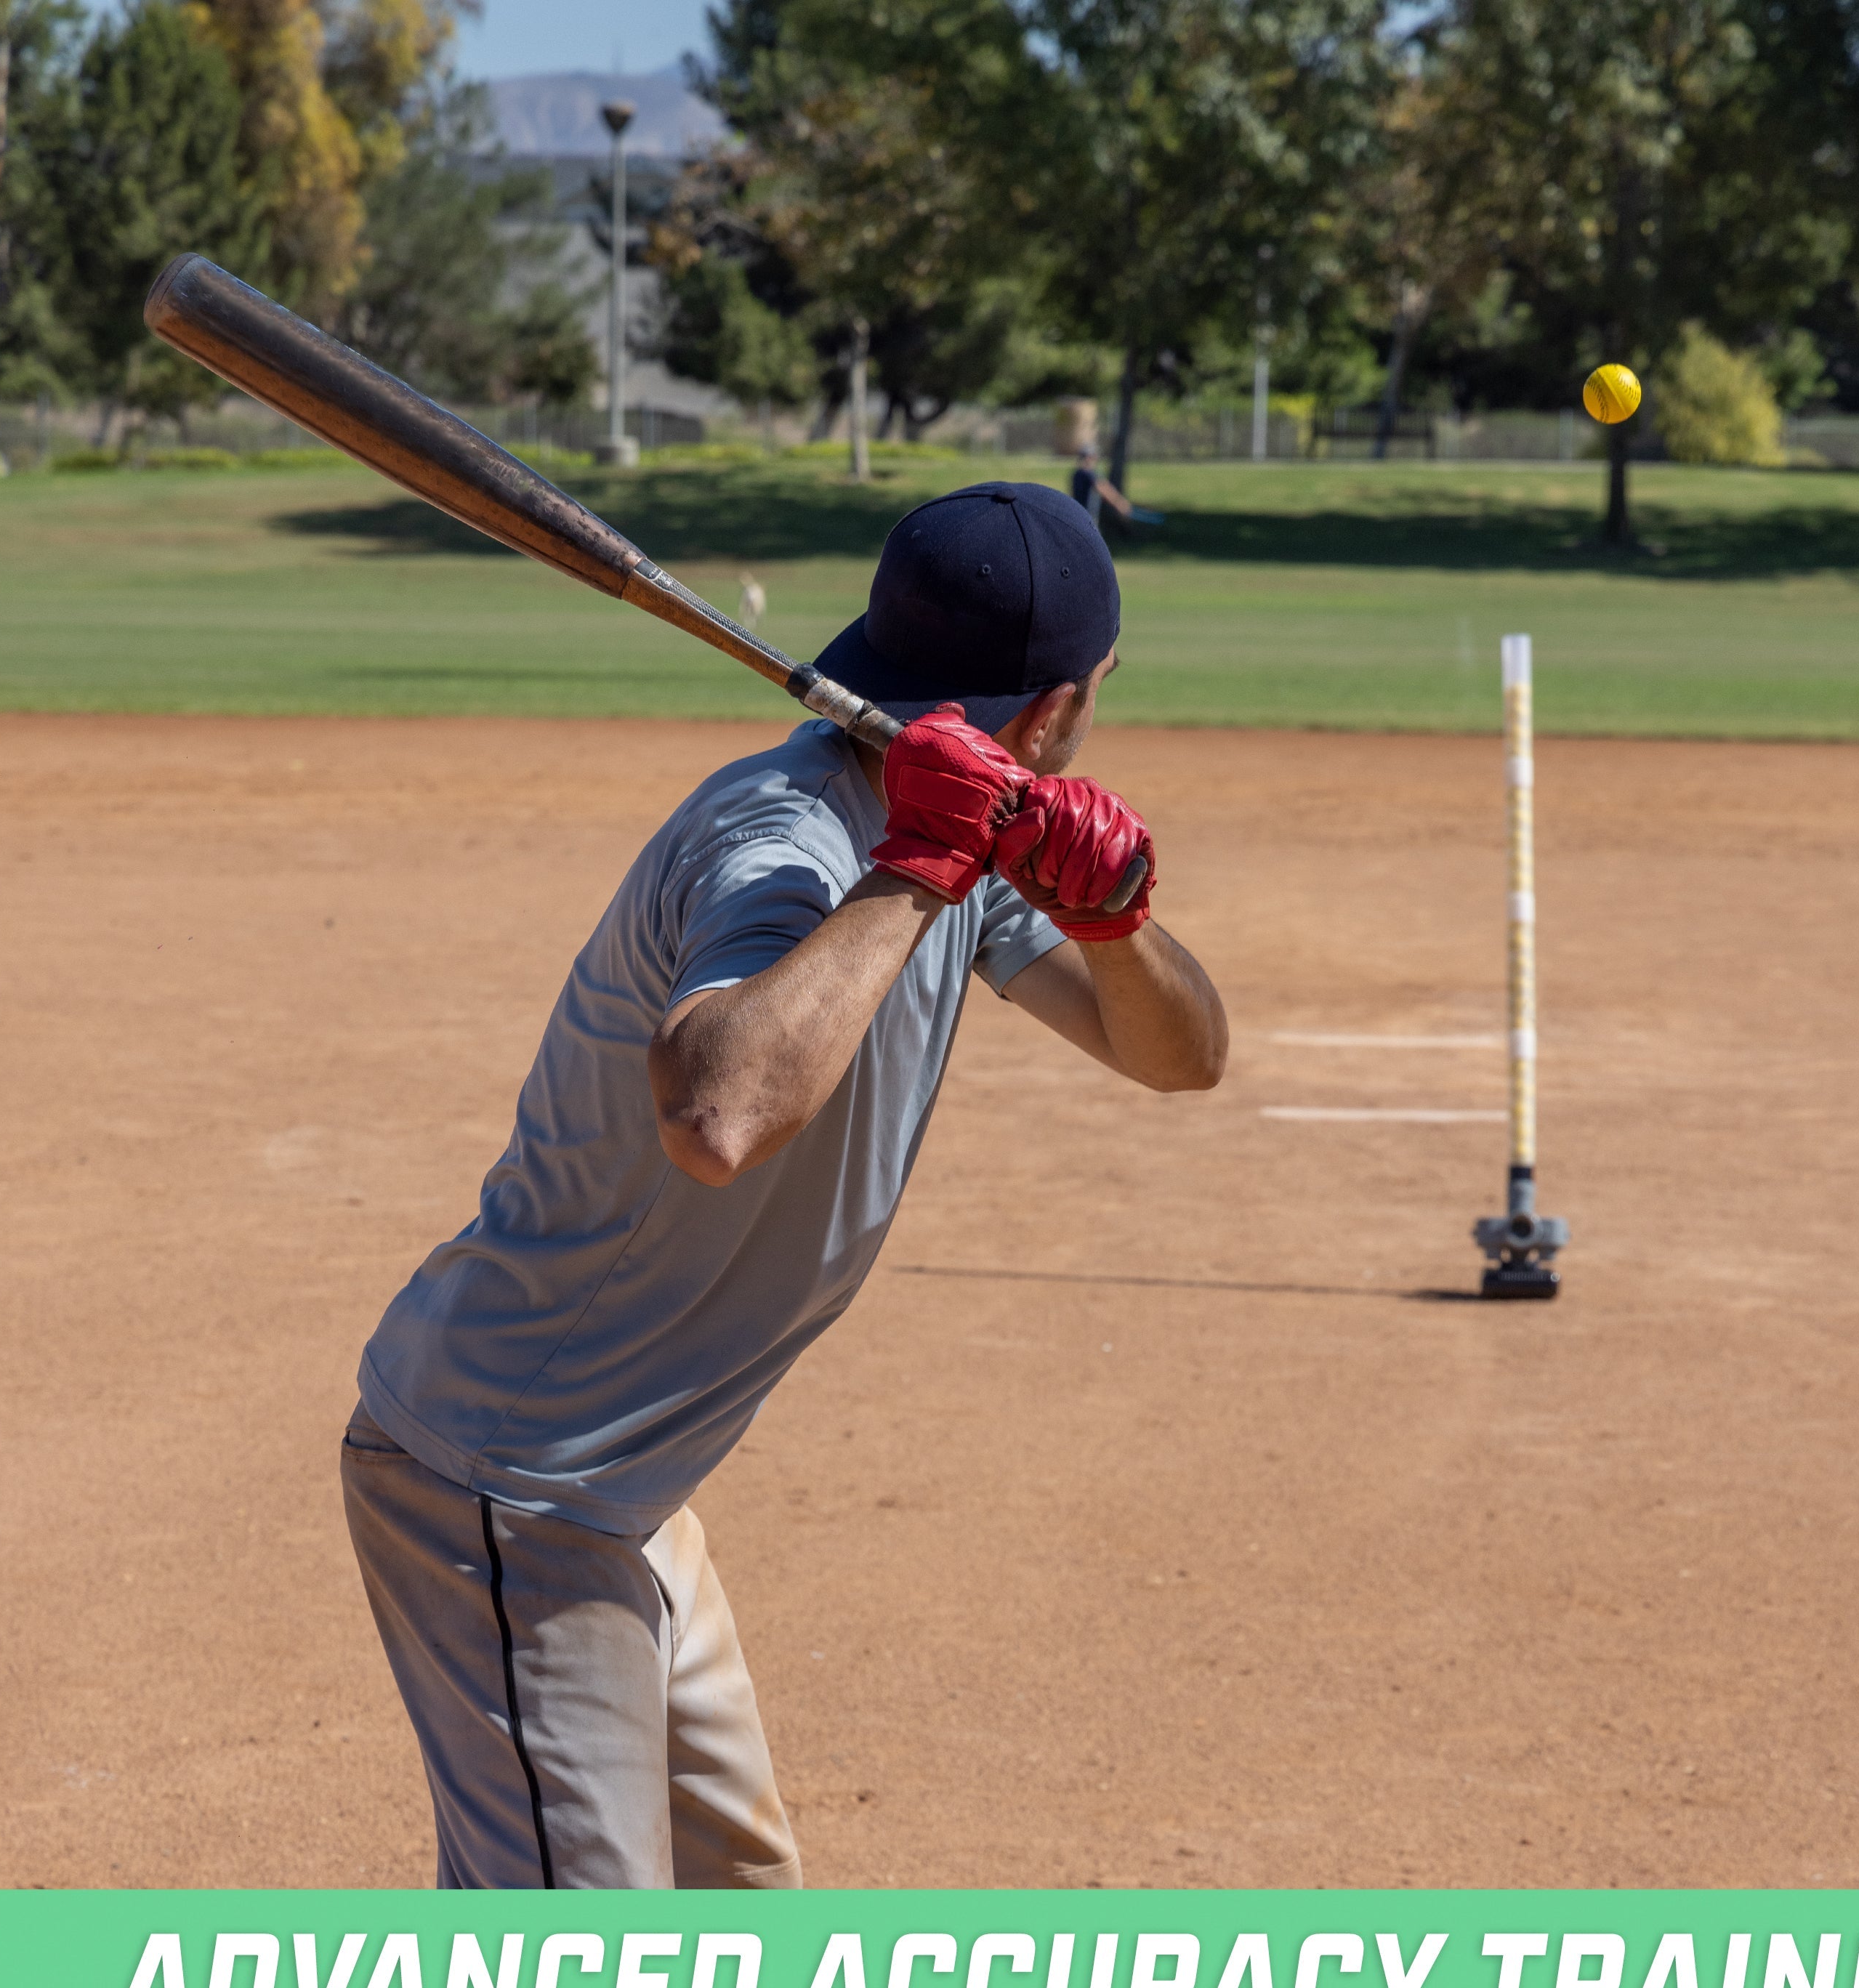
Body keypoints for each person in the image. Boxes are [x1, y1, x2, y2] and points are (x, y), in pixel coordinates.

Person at [339, 480, 1227, 1888]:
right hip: (507, 1486)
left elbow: (1179, 1055)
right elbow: (716, 1108)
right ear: (1059, 706)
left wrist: (1114, 925)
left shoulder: (962, 834)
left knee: (735, 1920)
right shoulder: (793, 839)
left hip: (622, 1491)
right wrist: (921, 865)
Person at [1069, 441, 1134, 528]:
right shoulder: (1088, 474)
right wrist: (1120, 505)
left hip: (1078, 515)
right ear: (1089, 457)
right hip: (1088, 517)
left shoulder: (1077, 474)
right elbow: (1104, 489)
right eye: (1094, 457)